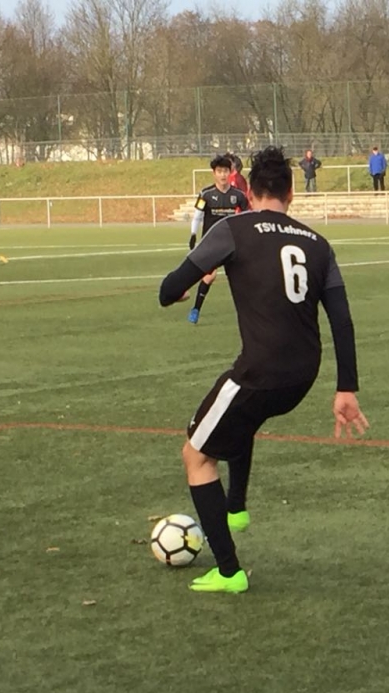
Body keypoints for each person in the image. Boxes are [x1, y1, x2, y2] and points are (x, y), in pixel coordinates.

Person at [157, 146, 368, 594]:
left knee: (196, 455)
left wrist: (175, 292)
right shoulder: (318, 244)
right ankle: (236, 507)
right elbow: (342, 320)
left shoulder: (233, 229)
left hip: (261, 371)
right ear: (291, 194)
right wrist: (346, 388)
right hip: (302, 376)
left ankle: (228, 571)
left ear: (249, 194)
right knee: (244, 417)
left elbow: (170, 287)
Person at [186, 154, 249, 325]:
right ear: (214, 173)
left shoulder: (239, 195)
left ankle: (248, 313)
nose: (223, 175)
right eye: (219, 171)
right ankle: (196, 309)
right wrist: (193, 234)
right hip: (212, 242)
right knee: (209, 276)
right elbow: (198, 216)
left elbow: (246, 217)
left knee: (241, 276)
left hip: (232, 242)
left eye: (225, 171)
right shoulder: (206, 194)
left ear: (230, 172)